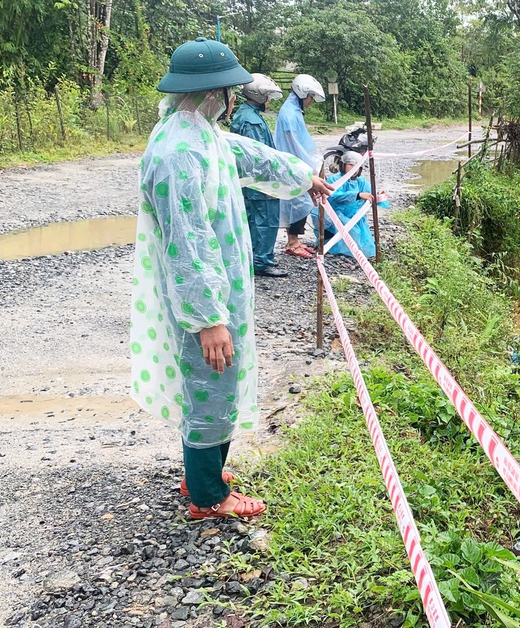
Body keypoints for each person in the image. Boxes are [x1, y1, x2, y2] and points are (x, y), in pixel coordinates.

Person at [131, 38, 334, 519]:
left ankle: (203, 473)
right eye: (229, 92)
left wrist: (303, 176)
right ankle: (207, 498)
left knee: (215, 382)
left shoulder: (200, 134)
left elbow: (251, 157)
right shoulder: (178, 153)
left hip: (222, 289)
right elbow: (187, 242)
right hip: (205, 299)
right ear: (213, 93)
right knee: (211, 382)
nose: (232, 100)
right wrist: (208, 319)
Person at [229, 73, 287, 278]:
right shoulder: (252, 121)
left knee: (253, 219)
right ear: (259, 95)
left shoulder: (245, 114)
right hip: (258, 182)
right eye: (267, 96)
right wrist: (270, 183)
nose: (269, 100)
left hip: (248, 181)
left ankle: (253, 258)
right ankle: (261, 261)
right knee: (265, 220)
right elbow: (256, 156)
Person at [274, 74, 326, 259]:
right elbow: (295, 145)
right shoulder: (290, 114)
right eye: (310, 97)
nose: (311, 101)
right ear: (303, 93)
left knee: (296, 201)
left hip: (294, 162)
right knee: (299, 201)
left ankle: (293, 240)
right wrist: (311, 166)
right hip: (294, 163)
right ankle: (293, 243)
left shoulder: (293, 111)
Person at [313, 151, 381, 259]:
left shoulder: (361, 181)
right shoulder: (334, 179)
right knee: (347, 234)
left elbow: (371, 193)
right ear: (343, 165)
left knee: (363, 243)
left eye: (357, 166)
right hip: (335, 215)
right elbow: (334, 196)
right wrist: (357, 195)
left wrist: (378, 195)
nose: (354, 168)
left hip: (354, 216)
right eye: (351, 165)